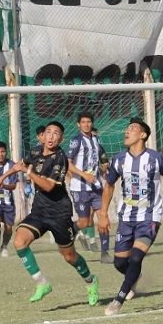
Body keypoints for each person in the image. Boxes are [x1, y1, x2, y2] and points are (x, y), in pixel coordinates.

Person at [98, 117, 163, 316]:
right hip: (126, 218)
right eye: (127, 128)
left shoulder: (156, 158)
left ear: (143, 135)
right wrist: (102, 214)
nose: (127, 131)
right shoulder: (119, 159)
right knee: (120, 263)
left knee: (136, 258)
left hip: (150, 217)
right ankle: (133, 277)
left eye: (132, 128)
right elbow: (109, 186)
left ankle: (118, 300)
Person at [11, 121, 100, 305]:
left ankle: (91, 281)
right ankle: (42, 283)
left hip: (59, 213)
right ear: (43, 136)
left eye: (56, 133)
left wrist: (29, 173)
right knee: (19, 242)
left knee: (69, 257)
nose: (51, 136)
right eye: (48, 132)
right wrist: (2, 178)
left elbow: (49, 186)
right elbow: (19, 164)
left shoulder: (60, 158)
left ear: (61, 139)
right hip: (39, 211)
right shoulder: (35, 152)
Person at [66, 112, 110, 263]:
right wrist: (83, 175)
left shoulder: (96, 139)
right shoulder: (76, 141)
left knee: (103, 217)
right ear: (78, 124)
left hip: (96, 186)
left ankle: (105, 253)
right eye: (83, 122)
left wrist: (104, 171)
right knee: (84, 222)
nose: (86, 124)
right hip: (80, 188)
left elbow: (99, 159)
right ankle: (71, 233)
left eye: (89, 122)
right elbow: (68, 163)